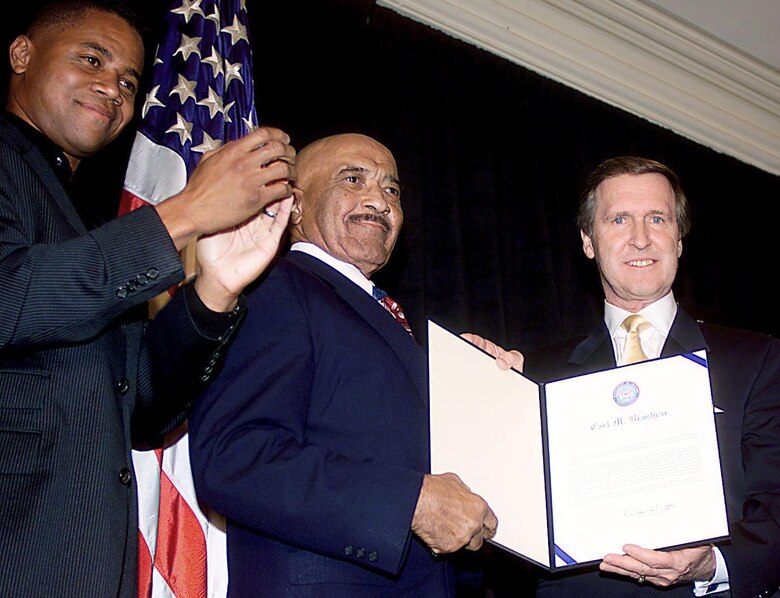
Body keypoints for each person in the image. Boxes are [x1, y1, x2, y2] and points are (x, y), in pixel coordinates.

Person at [0, 1, 295, 596]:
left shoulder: (84, 224)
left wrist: (215, 287)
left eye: (129, 81)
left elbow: (141, 409)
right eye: (92, 60)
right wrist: (183, 215)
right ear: (23, 55)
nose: (113, 88)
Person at [189, 133, 518, 596]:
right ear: (295, 206)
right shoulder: (276, 288)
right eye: (353, 178)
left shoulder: (385, 320)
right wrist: (409, 505)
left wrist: (474, 391)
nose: (379, 200)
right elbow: (235, 458)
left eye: (392, 190)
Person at [523, 156, 780, 598]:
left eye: (657, 219)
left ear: (678, 240)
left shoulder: (756, 359)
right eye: (619, 219)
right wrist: (484, 389)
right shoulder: (537, 375)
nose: (640, 238)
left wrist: (712, 564)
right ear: (589, 241)